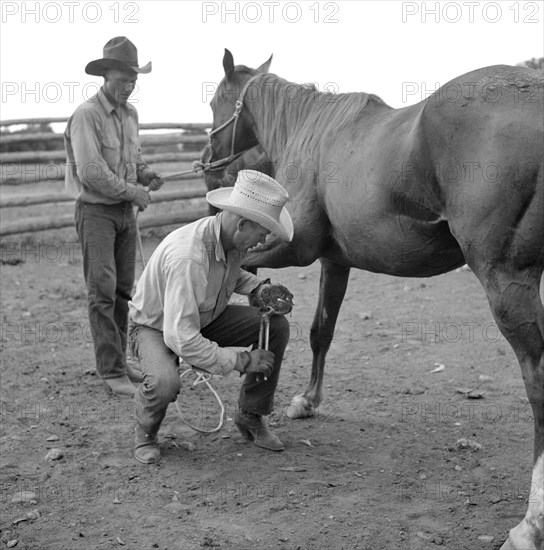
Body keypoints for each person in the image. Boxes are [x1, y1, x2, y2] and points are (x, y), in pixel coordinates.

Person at [128, 170, 293, 464]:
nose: (263, 240)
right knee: (165, 382)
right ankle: (146, 432)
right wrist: (242, 360)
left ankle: (250, 415)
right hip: (154, 326)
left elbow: (227, 274)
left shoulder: (229, 239)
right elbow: (181, 337)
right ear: (242, 223)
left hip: (203, 317)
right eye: (262, 233)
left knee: (276, 327)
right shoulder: (188, 257)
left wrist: (257, 289)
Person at [64, 37, 164, 396]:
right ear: (105, 75)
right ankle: (110, 371)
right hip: (96, 213)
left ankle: (120, 361)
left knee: (123, 290)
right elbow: (91, 172)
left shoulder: (130, 114)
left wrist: (146, 174)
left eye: (133, 80)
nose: (129, 86)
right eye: (123, 79)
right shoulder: (87, 115)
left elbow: (131, 160)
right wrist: (132, 192)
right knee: (102, 291)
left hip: (125, 214)